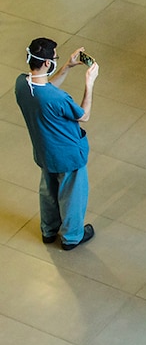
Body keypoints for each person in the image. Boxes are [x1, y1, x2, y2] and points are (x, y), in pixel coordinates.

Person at [15, 38, 99, 250]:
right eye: (54, 58)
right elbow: (84, 115)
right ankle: (72, 237)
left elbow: (45, 86)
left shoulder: (22, 85)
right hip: (68, 155)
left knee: (48, 190)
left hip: (45, 152)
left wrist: (67, 67)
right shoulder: (58, 99)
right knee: (72, 196)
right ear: (46, 64)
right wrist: (89, 83)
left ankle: (48, 230)